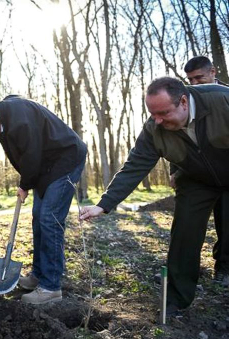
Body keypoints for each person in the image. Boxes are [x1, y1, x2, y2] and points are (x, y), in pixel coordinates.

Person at [80, 77, 229, 315]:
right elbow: (134, 166)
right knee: (184, 233)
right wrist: (104, 204)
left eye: (163, 113)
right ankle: (176, 299)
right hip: (196, 179)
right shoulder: (154, 129)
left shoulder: (221, 100)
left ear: (183, 102)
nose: (157, 120)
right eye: (152, 113)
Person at [0, 96, 87, 304]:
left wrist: (25, 184)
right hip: (46, 168)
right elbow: (20, 157)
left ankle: (51, 287)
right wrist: (27, 182)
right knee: (38, 217)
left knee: (50, 219)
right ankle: (39, 275)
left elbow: (31, 153)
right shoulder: (2, 123)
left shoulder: (18, 115)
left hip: (65, 160)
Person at [183, 56, 229, 286]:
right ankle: (185, 271)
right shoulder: (188, 99)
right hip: (200, 173)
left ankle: (224, 268)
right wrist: (175, 169)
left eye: (198, 78)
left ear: (213, 72)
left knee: (226, 221)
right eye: (190, 79)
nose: (194, 84)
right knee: (189, 222)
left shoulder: (225, 97)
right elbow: (182, 134)